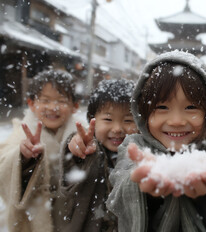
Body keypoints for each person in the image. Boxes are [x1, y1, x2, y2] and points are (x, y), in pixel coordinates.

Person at [106, 51, 206, 231]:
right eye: (162, 107)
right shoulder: (135, 146)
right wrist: (144, 187)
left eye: (191, 107)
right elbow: (119, 187)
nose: (176, 121)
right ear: (143, 113)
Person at [0, 69, 81, 232]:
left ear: (75, 106)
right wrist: (23, 157)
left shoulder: (81, 134)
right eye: (45, 100)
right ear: (31, 103)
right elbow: (4, 163)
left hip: (71, 219)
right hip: (31, 222)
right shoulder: (22, 133)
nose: (53, 107)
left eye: (61, 101)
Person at [53, 79, 138, 232]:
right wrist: (78, 150)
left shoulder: (142, 155)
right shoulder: (91, 150)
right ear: (92, 119)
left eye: (128, 120)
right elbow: (71, 174)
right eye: (108, 119)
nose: (117, 128)